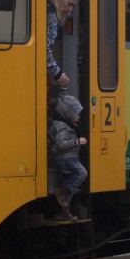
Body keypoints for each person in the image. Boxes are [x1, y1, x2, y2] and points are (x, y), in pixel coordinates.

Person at [48, 93, 88, 221]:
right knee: (81, 173)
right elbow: (61, 144)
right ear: (67, 114)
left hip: (68, 156)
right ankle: (61, 191)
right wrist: (76, 142)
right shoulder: (61, 125)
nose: (78, 117)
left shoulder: (66, 123)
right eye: (75, 114)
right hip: (65, 157)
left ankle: (63, 211)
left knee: (69, 185)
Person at [46, 0, 82, 90]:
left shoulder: (46, 9)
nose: (70, 10)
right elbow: (45, 49)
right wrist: (58, 74)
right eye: (69, 4)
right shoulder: (51, 15)